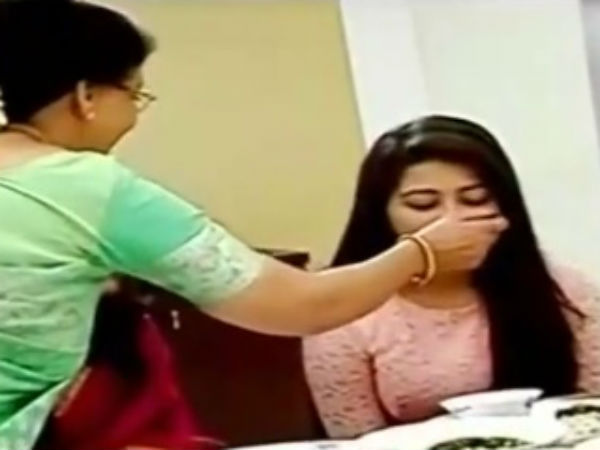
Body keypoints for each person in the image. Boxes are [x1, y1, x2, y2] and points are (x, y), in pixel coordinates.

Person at [0, 1, 506, 448]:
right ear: (86, 96)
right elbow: (304, 305)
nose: (134, 116)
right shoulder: (86, 189)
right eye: (134, 95)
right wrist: (422, 251)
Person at [303, 115, 600, 439]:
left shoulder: (566, 292)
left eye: (475, 200)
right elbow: (355, 440)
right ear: (381, 212)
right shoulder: (345, 314)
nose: (451, 221)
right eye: (423, 204)